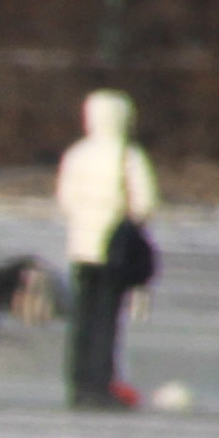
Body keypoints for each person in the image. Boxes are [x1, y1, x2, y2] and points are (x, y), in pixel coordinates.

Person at [55, 89, 158, 411]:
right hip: (115, 253)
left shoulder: (77, 154)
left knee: (83, 320)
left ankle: (79, 383)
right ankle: (101, 385)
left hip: (82, 251)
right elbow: (145, 203)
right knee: (106, 321)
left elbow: (66, 200)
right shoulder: (129, 155)